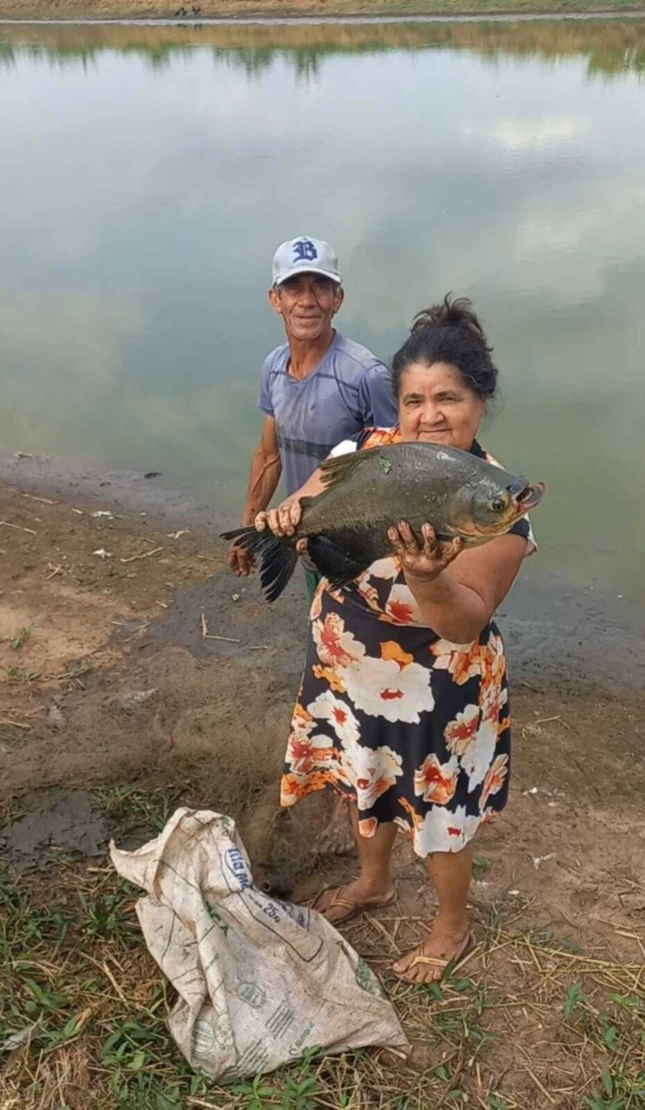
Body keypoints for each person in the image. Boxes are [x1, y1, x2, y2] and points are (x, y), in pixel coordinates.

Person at [254, 296, 537, 984]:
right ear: (396, 404)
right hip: (349, 674)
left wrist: (427, 579)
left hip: (438, 692)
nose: (430, 415)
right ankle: (372, 883)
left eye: (448, 398)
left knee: (440, 818)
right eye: (414, 400)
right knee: (363, 786)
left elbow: (464, 620)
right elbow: (319, 501)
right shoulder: (365, 451)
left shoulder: (494, 502)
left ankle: (451, 925)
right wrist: (289, 519)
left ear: (480, 401)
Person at [228, 236, 397, 606]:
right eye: (293, 287)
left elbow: (395, 466)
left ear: (338, 299)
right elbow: (270, 455)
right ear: (276, 300)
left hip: (364, 555)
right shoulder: (273, 367)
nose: (307, 301)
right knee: (324, 639)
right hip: (307, 543)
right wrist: (249, 526)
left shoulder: (366, 375)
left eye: (321, 286)